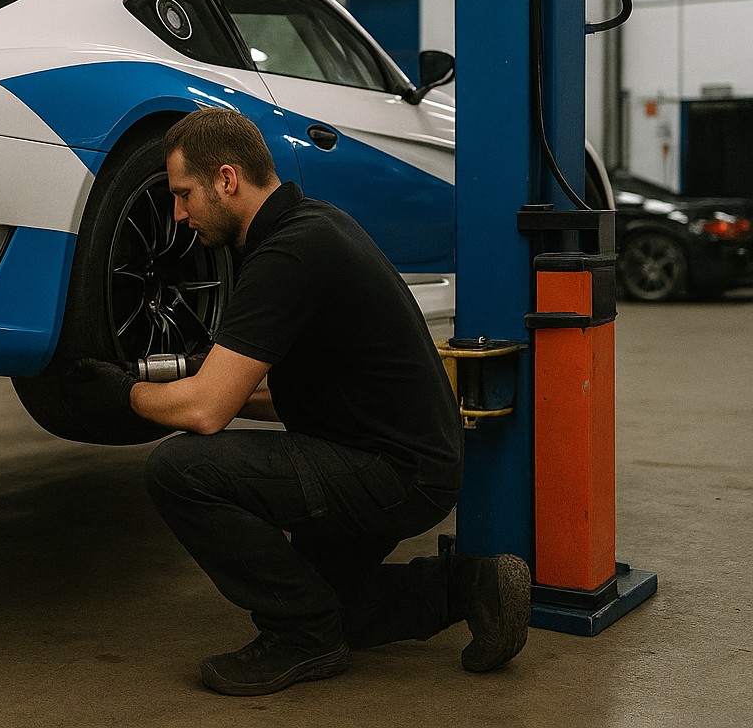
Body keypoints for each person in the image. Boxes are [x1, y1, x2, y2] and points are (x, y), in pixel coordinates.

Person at [65, 107, 530, 697]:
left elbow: (207, 410)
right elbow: (264, 396)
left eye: (183, 195)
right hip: (406, 460)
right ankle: (469, 590)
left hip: (393, 472)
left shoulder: (289, 254)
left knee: (179, 469)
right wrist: (181, 388)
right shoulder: (310, 228)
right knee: (330, 600)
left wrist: (122, 394)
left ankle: (301, 638)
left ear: (227, 180)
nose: (178, 215)